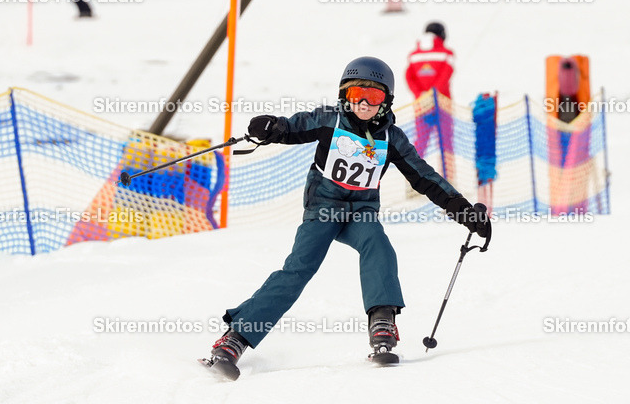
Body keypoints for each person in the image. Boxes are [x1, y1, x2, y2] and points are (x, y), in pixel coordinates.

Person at [203, 56, 492, 380]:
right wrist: (273, 127)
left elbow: (425, 178)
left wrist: (464, 210)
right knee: (299, 268)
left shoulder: (391, 139)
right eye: (357, 95)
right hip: (323, 209)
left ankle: (382, 323)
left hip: (361, 213)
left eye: (375, 97)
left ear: (387, 101)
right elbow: (295, 127)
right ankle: (235, 339)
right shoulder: (331, 120)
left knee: (378, 246)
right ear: (345, 96)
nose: (365, 104)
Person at [405, 22, 456, 182]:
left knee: (420, 143)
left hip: (421, 106)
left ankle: (413, 181)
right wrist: (434, 94)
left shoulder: (413, 55)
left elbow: (409, 77)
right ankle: (448, 180)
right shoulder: (447, 53)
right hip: (442, 105)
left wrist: (421, 94)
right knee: (446, 143)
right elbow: (445, 75)